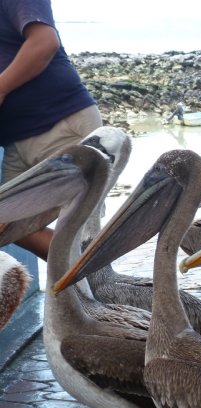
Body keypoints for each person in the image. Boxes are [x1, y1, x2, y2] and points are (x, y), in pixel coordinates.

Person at [0, 0, 102, 260]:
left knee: (78, 229)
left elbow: (45, 41)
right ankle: (90, 280)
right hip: (16, 141)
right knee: (7, 224)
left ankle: (99, 286)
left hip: (61, 125)